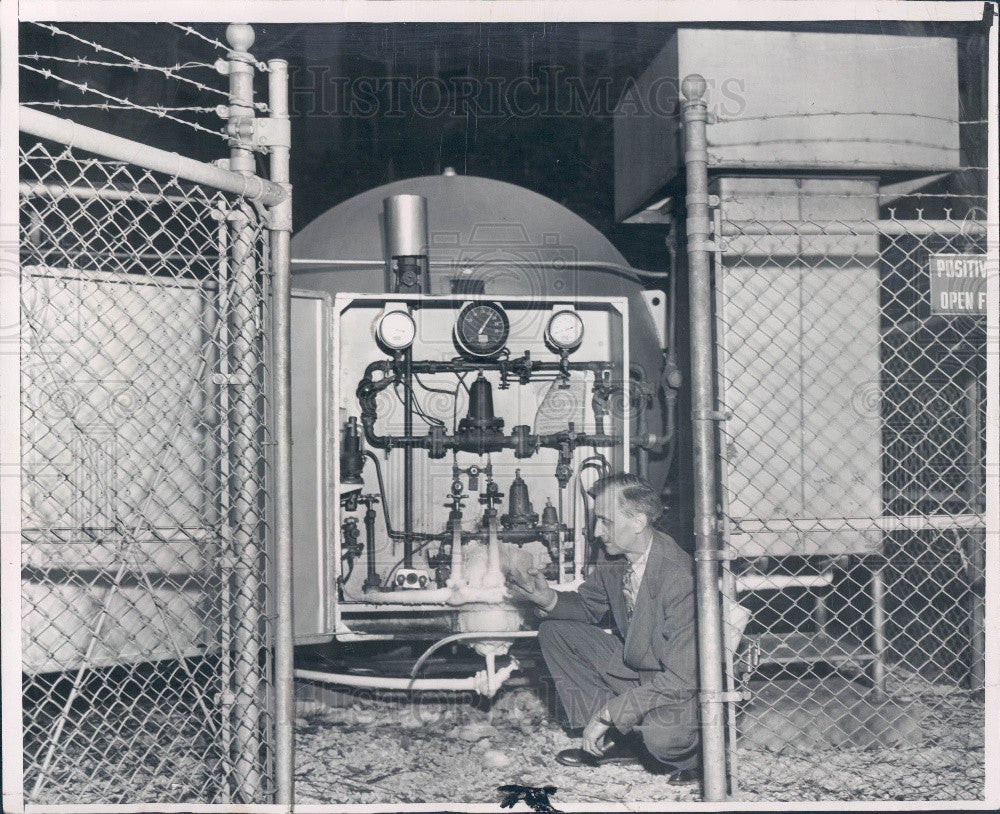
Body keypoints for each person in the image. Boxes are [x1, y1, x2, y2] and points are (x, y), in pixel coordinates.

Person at [505, 472, 699, 785]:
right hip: (640, 669)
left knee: (663, 739)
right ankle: (613, 742)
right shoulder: (617, 558)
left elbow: (681, 679)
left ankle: (700, 756)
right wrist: (546, 597)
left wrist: (609, 712)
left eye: (605, 521)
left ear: (638, 522)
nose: (597, 531)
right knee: (556, 632)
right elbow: (587, 606)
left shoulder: (679, 577)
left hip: (677, 685)